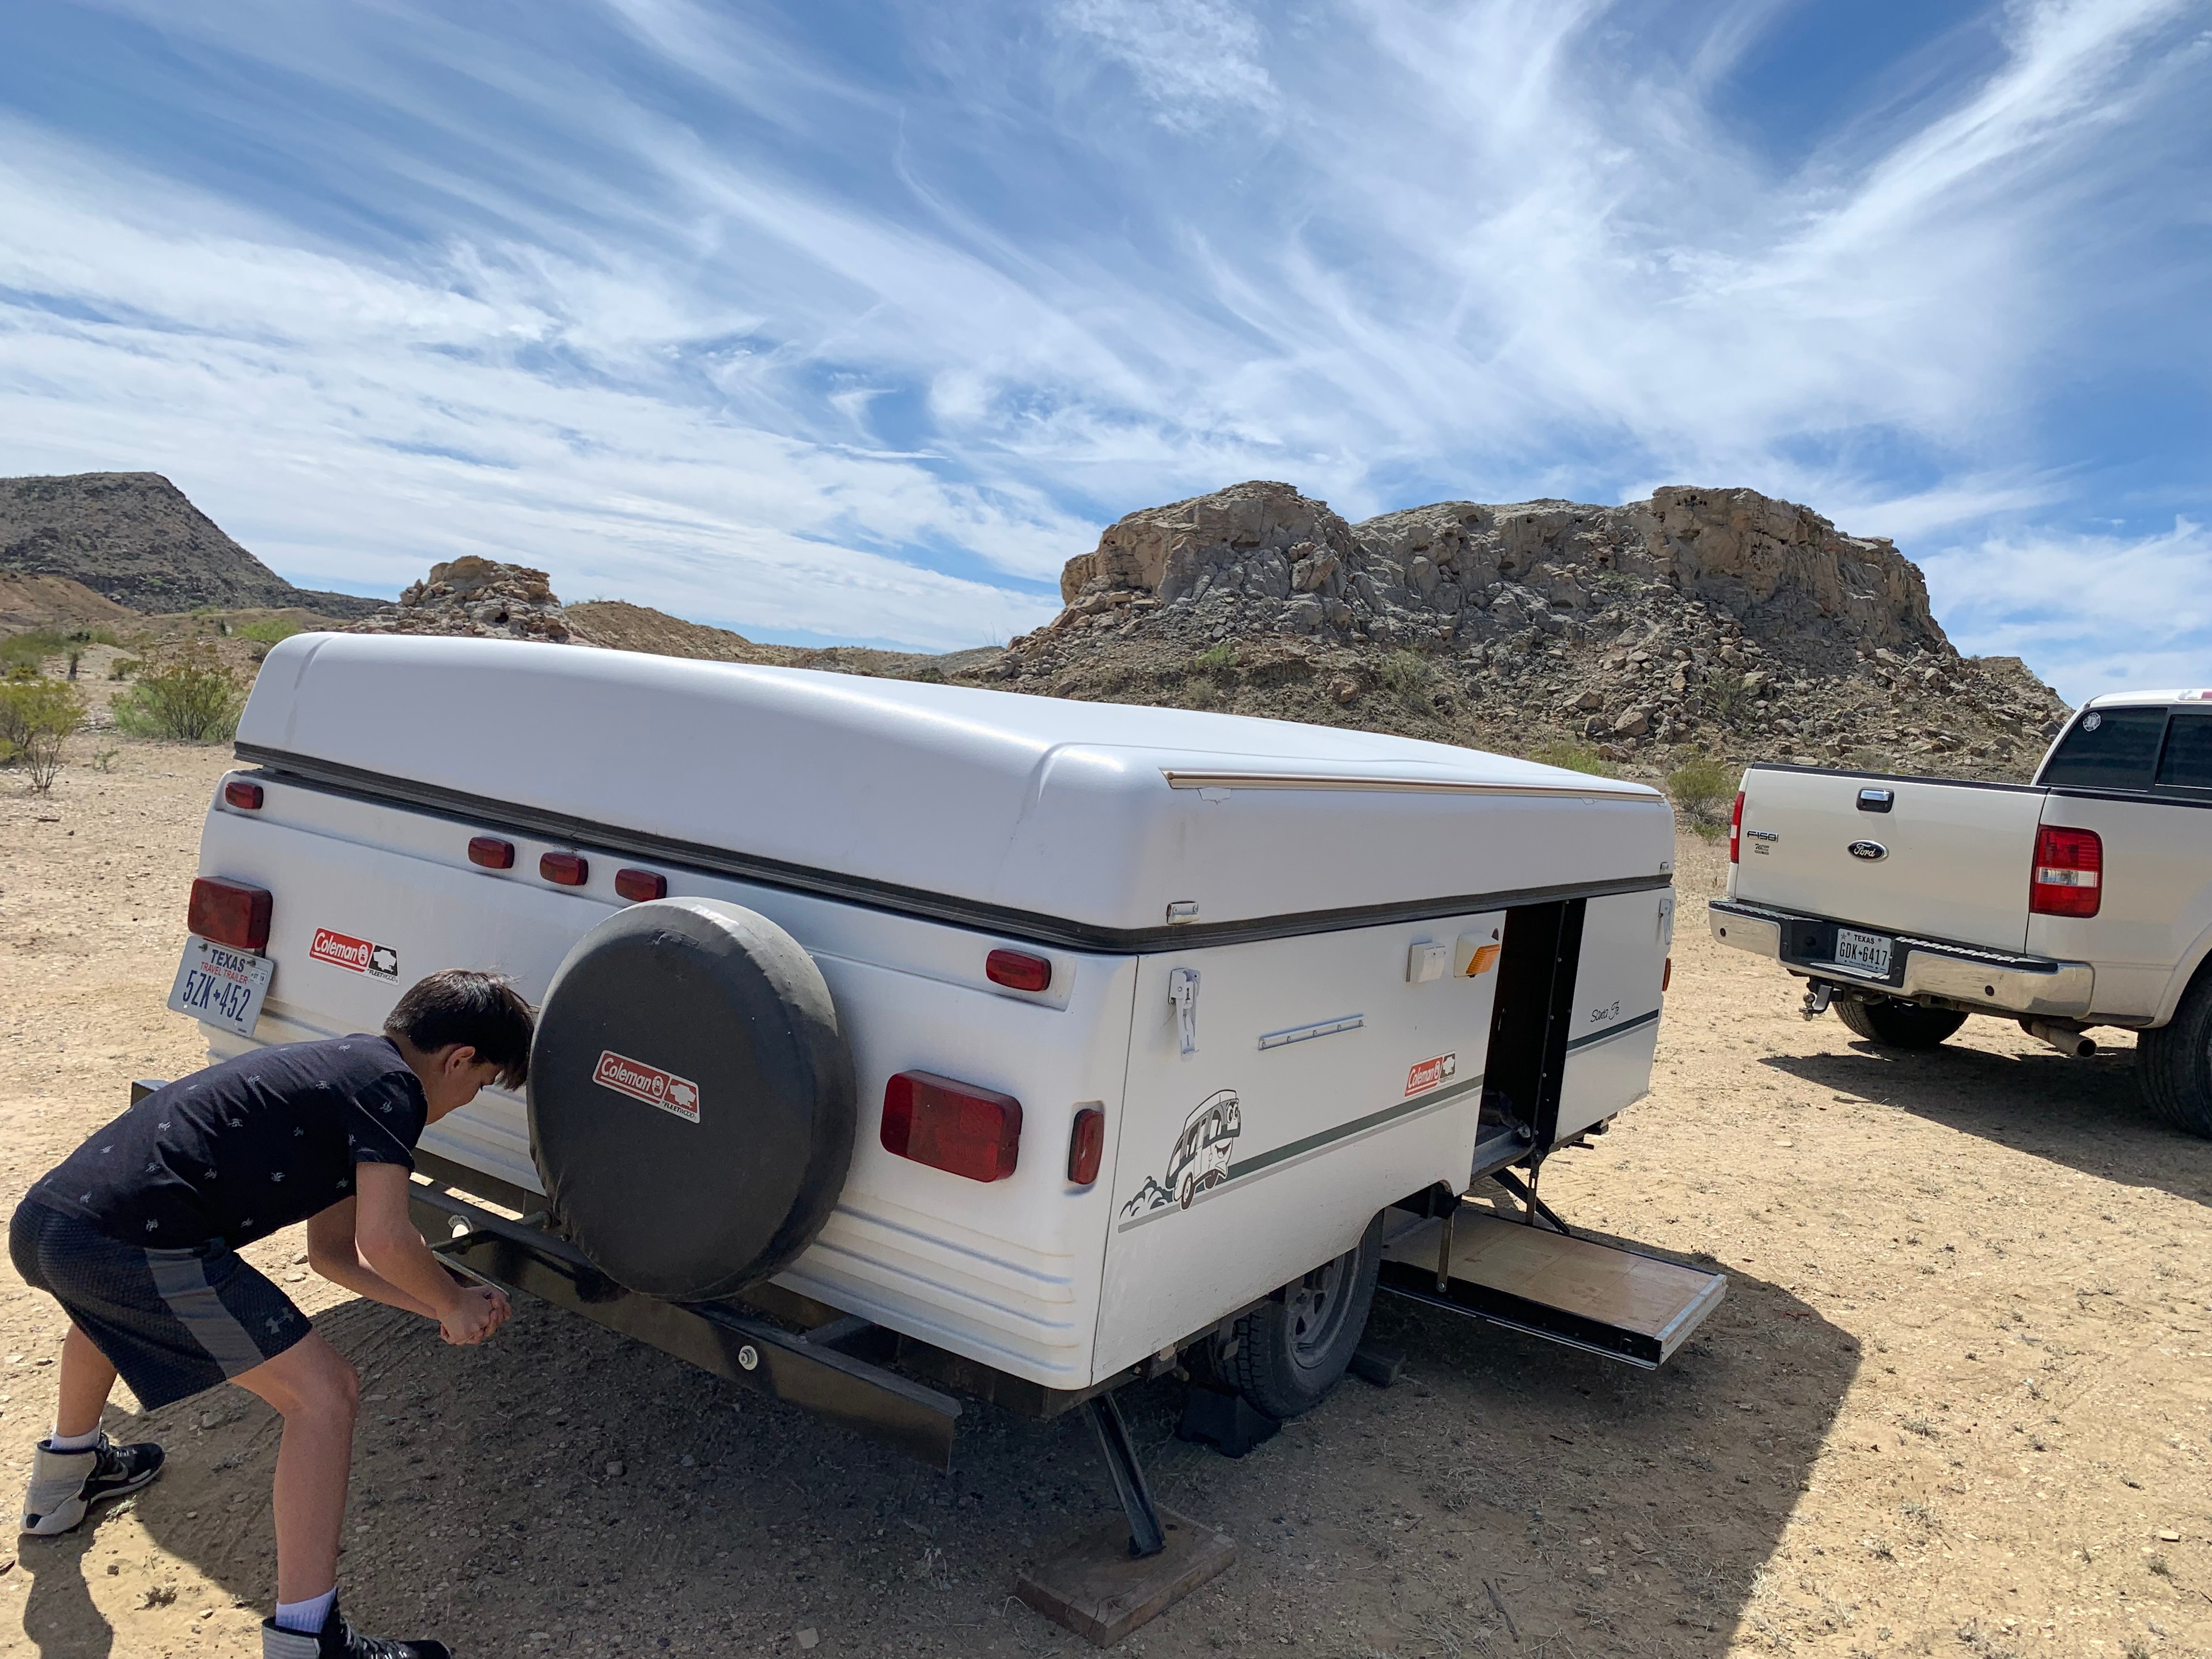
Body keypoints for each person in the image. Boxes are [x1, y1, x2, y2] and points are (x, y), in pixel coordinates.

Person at [10, 969, 535, 1659]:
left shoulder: (342, 1073)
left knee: (108, 1315)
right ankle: (307, 1639)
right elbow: (387, 1239)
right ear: (458, 1058)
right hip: (132, 1243)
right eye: (479, 1084)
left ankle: (64, 1484)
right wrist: (452, 1300)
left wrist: (441, 1305)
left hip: (51, 1226)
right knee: (325, 1396)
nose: (465, 1101)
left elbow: (336, 1257)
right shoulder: (392, 1089)